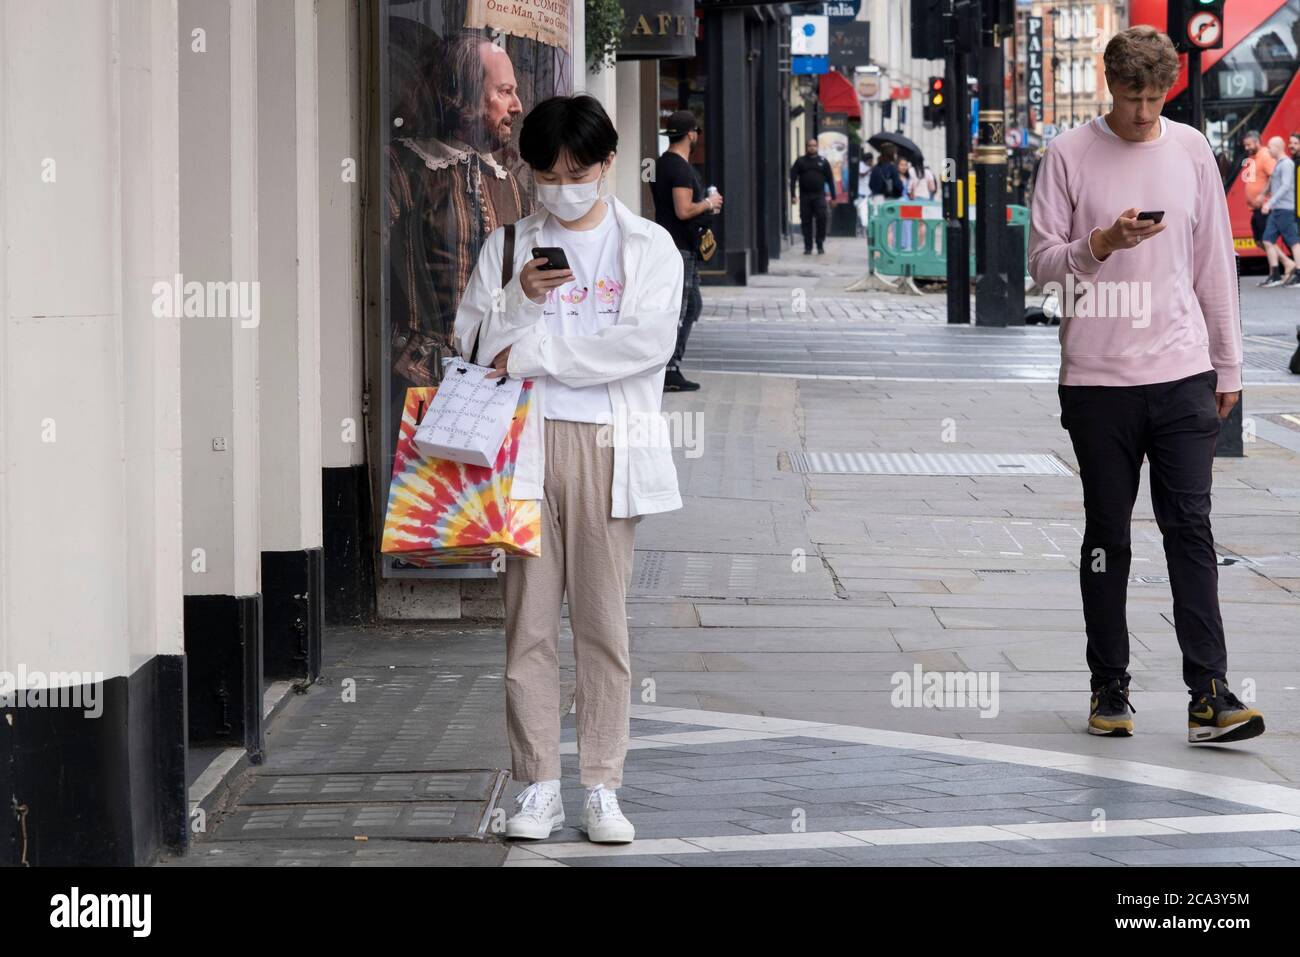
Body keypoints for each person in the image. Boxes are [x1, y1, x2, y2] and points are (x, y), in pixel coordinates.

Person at [453, 94, 685, 844]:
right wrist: (519, 304)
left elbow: (643, 347)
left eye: (578, 172)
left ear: (608, 163)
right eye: (546, 174)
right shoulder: (509, 246)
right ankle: (538, 786)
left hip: (610, 448)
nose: (563, 187)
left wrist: (538, 353)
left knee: (602, 624)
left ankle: (604, 784)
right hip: (523, 445)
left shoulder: (649, 248)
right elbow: (471, 348)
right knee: (527, 624)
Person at [1028, 25, 1264, 745]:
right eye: (1132, 98)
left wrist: (1228, 366)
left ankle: (1210, 692)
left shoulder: (1190, 149)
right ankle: (1110, 683)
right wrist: (1101, 244)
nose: (1143, 113)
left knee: (1191, 528)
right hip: (1099, 383)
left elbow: (1213, 263)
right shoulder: (1068, 155)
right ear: (1109, 84)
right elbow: (1040, 265)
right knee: (1108, 536)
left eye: (1156, 98)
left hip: (1184, 375)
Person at [650, 110, 720, 392]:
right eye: (697, 133)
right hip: (680, 247)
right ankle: (669, 368)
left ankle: (669, 366)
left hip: (674, 244)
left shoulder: (661, 164)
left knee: (690, 305)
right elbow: (683, 209)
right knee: (682, 307)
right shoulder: (679, 168)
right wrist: (709, 202)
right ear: (691, 134)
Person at [1259, 135, 1300, 287]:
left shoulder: (1287, 164)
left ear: (1276, 148)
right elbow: (1273, 183)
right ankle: (1275, 274)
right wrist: (1264, 194)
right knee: (1267, 240)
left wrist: (1269, 203)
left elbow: (1285, 186)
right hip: (1277, 209)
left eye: (1269, 147)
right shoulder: (1278, 164)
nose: (1268, 149)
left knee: (1294, 242)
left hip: (1285, 209)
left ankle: (1299, 275)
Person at [790, 137, 835, 255]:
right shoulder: (800, 161)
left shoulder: (823, 161)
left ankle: (820, 243)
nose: (812, 147)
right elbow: (793, 178)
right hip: (805, 196)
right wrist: (793, 195)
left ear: (817, 147)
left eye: (814, 145)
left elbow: (830, 180)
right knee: (806, 221)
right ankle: (808, 246)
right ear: (806, 147)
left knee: (822, 217)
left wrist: (833, 197)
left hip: (819, 195)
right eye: (810, 145)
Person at [1240, 129, 1275, 267]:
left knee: (1266, 240)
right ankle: (1281, 267)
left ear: (1257, 142)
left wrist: (1262, 195)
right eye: (1245, 145)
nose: (1246, 148)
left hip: (1264, 206)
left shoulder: (1265, 155)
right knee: (1260, 240)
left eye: (1248, 145)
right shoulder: (1255, 157)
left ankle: (1285, 265)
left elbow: (1274, 175)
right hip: (1256, 207)